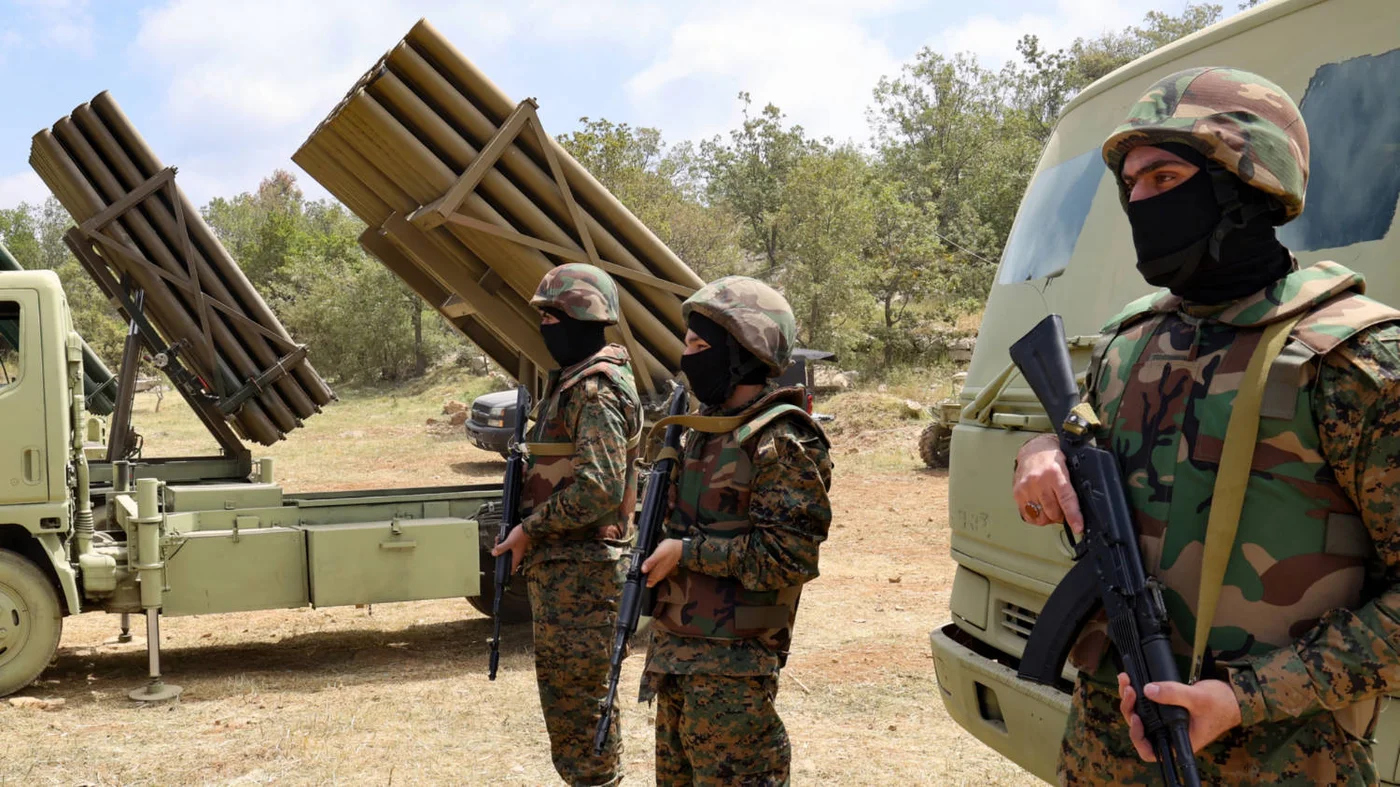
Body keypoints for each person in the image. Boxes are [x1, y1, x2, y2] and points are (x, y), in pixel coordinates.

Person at [1012, 66, 1400, 785]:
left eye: (1164, 178)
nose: (1139, 201)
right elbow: (1071, 433)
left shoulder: (1355, 362)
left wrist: (1246, 697)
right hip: (1107, 744)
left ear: (1247, 185)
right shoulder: (1128, 343)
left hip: (1284, 757)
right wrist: (1038, 451)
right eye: (1130, 184)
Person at [637, 275, 833, 786]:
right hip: (675, 659)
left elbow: (787, 557)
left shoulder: (780, 440)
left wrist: (686, 552)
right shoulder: (700, 431)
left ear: (743, 351)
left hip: (733, 671)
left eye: (700, 346)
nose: (687, 357)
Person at [492, 262, 643, 787]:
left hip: (584, 575)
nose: (545, 327)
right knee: (573, 706)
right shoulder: (576, 382)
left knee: (582, 711)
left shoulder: (595, 390)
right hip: (567, 572)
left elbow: (600, 488)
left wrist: (530, 529)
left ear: (583, 318)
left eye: (553, 317)